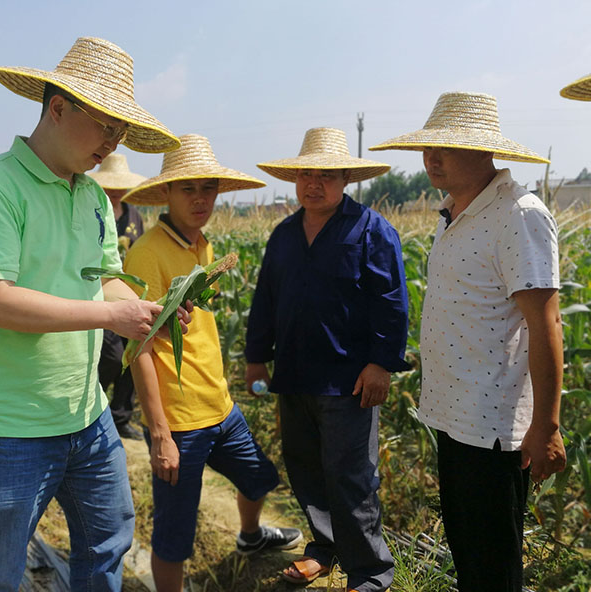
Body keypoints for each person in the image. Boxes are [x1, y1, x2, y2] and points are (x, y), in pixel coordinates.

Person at [0, 37, 187, 591]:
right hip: (12, 427)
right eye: (105, 125)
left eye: (121, 132)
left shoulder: (95, 198)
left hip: (87, 414)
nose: (113, 142)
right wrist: (107, 319)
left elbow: (104, 280)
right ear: (58, 108)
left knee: (108, 540)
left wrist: (143, 310)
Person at [370, 91, 567, 591]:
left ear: (486, 152)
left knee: (493, 566)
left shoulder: (518, 213)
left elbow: (545, 324)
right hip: (452, 414)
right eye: (429, 146)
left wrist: (545, 425)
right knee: (469, 554)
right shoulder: (453, 211)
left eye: (449, 147)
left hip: (493, 425)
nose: (432, 158)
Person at [121, 134, 303, 592]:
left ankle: (249, 538)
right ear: (166, 192)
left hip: (220, 408)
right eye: (189, 189)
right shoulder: (146, 253)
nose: (201, 199)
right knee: (175, 534)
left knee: (260, 478)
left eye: (208, 188)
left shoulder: (202, 245)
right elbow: (139, 348)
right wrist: (159, 431)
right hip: (179, 422)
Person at [246, 127, 408, 591]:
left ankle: (371, 571)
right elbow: (265, 300)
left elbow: (392, 301)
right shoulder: (283, 235)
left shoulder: (372, 231)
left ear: (346, 180)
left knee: (351, 477)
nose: (313, 184)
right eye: (305, 174)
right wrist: (257, 358)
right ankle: (324, 547)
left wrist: (381, 364)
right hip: (295, 376)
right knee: (306, 468)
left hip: (349, 381)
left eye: (326, 175)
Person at [90, 152, 147, 440]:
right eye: (110, 188)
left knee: (134, 357)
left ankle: (121, 417)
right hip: (102, 297)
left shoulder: (134, 215)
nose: (115, 193)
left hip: (131, 295)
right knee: (112, 357)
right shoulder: (93, 211)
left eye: (119, 188)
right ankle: (92, 409)